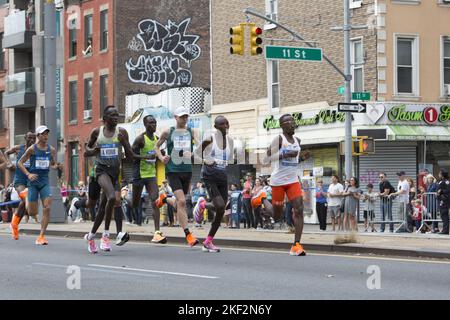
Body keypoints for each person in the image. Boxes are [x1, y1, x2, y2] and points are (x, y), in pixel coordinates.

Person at [83, 106, 135, 253]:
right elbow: (86, 151)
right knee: (111, 197)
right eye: (112, 115)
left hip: (114, 173)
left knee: (105, 206)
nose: (116, 117)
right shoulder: (97, 132)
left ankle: (92, 236)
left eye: (117, 115)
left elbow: (130, 156)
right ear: (105, 119)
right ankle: (106, 234)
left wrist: (124, 142)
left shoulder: (122, 132)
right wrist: (93, 151)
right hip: (100, 170)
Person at [264, 113, 310, 256]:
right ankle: (262, 199)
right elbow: (266, 158)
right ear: (282, 125)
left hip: (292, 180)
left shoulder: (297, 140)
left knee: (299, 209)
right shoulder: (279, 139)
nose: (292, 123)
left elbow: (294, 161)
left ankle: (296, 244)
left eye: (292, 121)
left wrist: (301, 158)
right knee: (277, 215)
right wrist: (284, 154)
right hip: (278, 181)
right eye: (288, 121)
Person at [155, 106, 200, 247]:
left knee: (179, 203)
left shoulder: (191, 132)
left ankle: (165, 198)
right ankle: (188, 235)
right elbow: (156, 147)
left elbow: (199, 146)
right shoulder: (168, 132)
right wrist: (162, 158)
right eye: (182, 116)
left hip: (187, 170)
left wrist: (194, 154)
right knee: (182, 202)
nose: (184, 119)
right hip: (173, 171)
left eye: (186, 116)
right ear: (175, 117)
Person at [194, 116, 234, 252]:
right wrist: (206, 161)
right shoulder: (209, 139)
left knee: (221, 210)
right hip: (209, 176)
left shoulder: (230, 141)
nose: (226, 126)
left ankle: (208, 241)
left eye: (227, 123)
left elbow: (226, 159)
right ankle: (202, 204)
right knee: (220, 205)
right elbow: (196, 154)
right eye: (222, 124)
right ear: (216, 127)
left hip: (222, 176)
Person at [17, 126, 62, 245]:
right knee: (32, 213)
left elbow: (52, 164)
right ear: (38, 136)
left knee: (47, 207)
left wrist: (56, 166)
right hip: (33, 183)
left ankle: (41, 236)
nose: (46, 136)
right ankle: (27, 197)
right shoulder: (32, 149)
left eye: (47, 134)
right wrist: (28, 174)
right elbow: (20, 162)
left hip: (44, 182)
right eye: (43, 134)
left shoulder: (51, 149)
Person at [131, 114, 167, 243]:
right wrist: (144, 158)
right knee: (134, 203)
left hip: (151, 175)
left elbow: (158, 153)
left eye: (155, 123)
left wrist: (161, 155)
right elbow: (130, 155)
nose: (154, 125)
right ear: (145, 125)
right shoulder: (140, 139)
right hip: (139, 175)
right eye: (151, 123)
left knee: (155, 201)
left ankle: (157, 232)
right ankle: (128, 206)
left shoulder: (157, 139)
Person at [6, 132, 37, 240]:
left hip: (30, 180)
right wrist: (9, 163)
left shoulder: (35, 150)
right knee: (24, 196)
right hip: (19, 180)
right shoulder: (18, 148)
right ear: (25, 138)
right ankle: (14, 224)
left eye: (34, 138)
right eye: (30, 138)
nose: (32, 140)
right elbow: (6, 152)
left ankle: (14, 224)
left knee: (24, 202)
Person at [437, 170, 450, 235]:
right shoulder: (441, 181)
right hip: (441, 200)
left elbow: (448, 190)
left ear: (442, 175)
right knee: (443, 215)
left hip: (444, 200)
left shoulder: (446, 181)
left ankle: (445, 230)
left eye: (439, 173)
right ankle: (444, 229)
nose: (438, 175)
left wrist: (441, 191)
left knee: (444, 215)